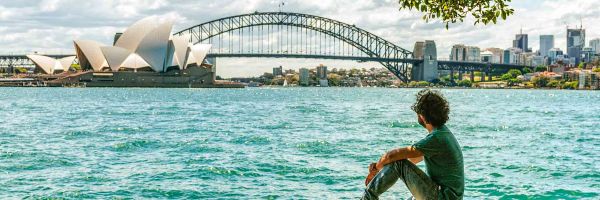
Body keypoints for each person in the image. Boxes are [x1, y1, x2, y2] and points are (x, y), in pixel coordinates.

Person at [361, 89, 464, 200]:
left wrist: (375, 169)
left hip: (441, 197)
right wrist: (386, 167)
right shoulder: (443, 133)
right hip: (445, 195)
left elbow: (392, 156)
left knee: (399, 162)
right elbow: (412, 160)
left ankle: (367, 197)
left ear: (422, 116)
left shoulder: (437, 138)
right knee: (398, 161)